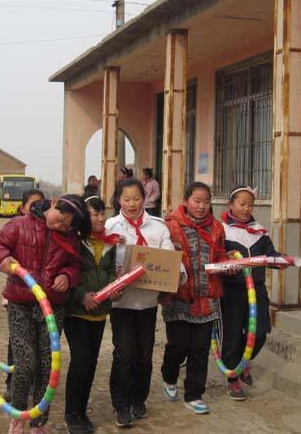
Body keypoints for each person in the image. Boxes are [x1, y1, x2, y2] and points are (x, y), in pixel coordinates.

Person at [0, 195, 90, 434]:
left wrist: (67, 276)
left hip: (52, 308)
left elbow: (75, 265)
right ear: (53, 204)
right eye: (59, 218)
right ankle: (18, 413)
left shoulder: (70, 237)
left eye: (66, 225)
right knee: (25, 362)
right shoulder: (19, 225)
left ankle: (39, 422)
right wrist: (3, 258)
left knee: (47, 365)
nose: (59, 225)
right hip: (20, 305)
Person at [106, 178, 186, 429]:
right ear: (118, 200)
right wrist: (112, 279)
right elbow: (102, 264)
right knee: (124, 354)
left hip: (148, 304)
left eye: (137, 198)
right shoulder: (110, 227)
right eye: (126, 199)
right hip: (121, 304)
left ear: (145, 199)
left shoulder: (158, 227)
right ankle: (121, 404)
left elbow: (171, 260)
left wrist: (177, 275)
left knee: (144, 354)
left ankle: (138, 400)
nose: (132, 204)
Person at [161, 182, 226, 414]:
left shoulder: (216, 227)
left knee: (200, 350)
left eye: (206, 202)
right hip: (178, 297)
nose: (201, 206)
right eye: (197, 201)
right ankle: (169, 376)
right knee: (178, 347)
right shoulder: (171, 225)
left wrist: (227, 265)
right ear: (186, 201)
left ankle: (194, 394)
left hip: (207, 297)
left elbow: (221, 255)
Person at [64, 196, 120, 434]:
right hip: (76, 312)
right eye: (95, 214)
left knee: (91, 362)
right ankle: (72, 414)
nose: (100, 218)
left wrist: (114, 288)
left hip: (99, 312)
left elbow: (110, 271)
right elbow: (65, 272)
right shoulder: (72, 241)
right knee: (81, 360)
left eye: (102, 213)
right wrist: (81, 296)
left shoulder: (109, 243)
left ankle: (81, 411)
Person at [220, 186, 278, 400]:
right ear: (231, 205)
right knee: (233, 333)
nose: (246, 208)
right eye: (242, 204)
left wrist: (281, 260)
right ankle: (233, 380)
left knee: (260, 332)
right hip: (232, 290)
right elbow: (217, 256)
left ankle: (244, 362)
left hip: (257, 288)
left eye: (250, 205)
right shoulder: (222, 230)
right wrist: (225, 259)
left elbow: (270, 254)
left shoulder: (259, 230)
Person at [3, 187, 46, 402]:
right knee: (20, 348)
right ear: (23, 208)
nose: (38, 209)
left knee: (40, 351)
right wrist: (2, 260)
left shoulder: (54, 228)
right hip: (19, 295)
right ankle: (13, 385)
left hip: (45, 301)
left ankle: (34, 390)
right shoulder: (16, 226)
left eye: (42, 205)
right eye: (33, 205)